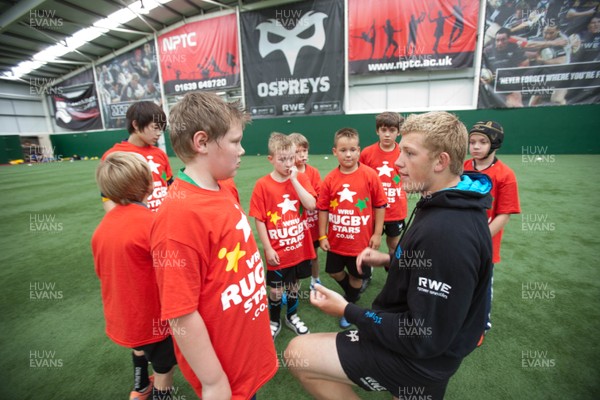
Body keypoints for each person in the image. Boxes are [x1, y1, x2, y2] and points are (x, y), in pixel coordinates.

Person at [284, 111, 493, 400]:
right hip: (432, 353)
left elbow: (423, 335)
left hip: (421, 360)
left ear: (440, 161)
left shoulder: (448, 232)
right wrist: (392, 260)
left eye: (409, 153)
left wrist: (348, 310)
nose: (397, 162)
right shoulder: (453, 198)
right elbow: (438, 269)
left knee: (297, 353)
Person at [150, 92, 277, 400]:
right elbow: (180, 314)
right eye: (235, 141)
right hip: (225, 374)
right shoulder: (177, 218)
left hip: (245, 355)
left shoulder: (223, 187)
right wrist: (213, 381)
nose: (242, 150)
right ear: (202, 142)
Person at [91, 152, 177, 400]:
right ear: (148, 184)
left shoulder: (102, 228)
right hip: (154, 320)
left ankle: (140, 387)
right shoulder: (152, 223)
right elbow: (172, 274)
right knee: (164, 369)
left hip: (123, 317)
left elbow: (103, 273)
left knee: (140, 348)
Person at [317, 127, 387, 329]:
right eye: (343, 150)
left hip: (360, 242)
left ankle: (349, 304)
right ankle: (351, 293)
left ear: (359, 150)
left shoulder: (370, 175)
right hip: (337, 241)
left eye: (353, 150)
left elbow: (379, 205)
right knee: (333, 271)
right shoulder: (330, 178)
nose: (348, 154)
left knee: (357, 276)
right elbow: (323, 209)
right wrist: (322, 235)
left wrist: (376, 233)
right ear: (334, 152)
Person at [250, 133, 317, 338]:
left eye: (291, 158)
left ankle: (292, 316)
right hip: (278, 252)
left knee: (294, 286)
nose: (288, 163)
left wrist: (295, 180)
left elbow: (311, 205)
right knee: (276, 290)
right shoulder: (263, 185)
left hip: (299, 249)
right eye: (282, 159)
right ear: (271, 159)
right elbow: (259, 218)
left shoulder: (301, 177)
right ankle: (274, 319)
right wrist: (268, 248)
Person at [464, 120, 521, 338]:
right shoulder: (463, 168)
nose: (476, 146)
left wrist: (480, 238)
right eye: (472, 142)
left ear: (494, 143)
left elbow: (504, 215)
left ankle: (479, 327)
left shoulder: (505, 175)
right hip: (461, 239)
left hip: (484, 245)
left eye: (482, 142)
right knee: (460, 282)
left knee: (482, 287)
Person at [359, 112, 408, 293]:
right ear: (377, 131)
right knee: (368, 244)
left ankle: (394, 274)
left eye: (392, 130)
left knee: (394, 245)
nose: (387, 134)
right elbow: (361, 178)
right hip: (371, 211)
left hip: (396, 211)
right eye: (383, 130)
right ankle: (366, 275)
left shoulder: (403, 152)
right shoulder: (367, 153)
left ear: (399, 132)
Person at [101, 101, 172, 213]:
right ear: (136, 125)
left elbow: (169, 187)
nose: (159, 133)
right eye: (155, 127)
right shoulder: (114, 156)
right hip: (137, 223)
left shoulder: (160, 153)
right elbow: (107, 198)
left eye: (161, 129)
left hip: (163, 222)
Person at [289, 132, 323, 290]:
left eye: (305, 150)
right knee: (296, 257)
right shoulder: (287, 172)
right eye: (298, 151)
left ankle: (315, 280)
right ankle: (292, 288)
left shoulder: (313, 172)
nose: (302, 154)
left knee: (313, 255)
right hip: (296, 225)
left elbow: (318, 198)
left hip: (312, 223)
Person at [480, 27, 530, 107]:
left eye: (503, 40)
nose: (500, 43)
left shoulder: (515, 48)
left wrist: (511, 74)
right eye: (497, 40)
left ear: (509, 39)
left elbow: (525, 64)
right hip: (493, 84)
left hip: (510, 82)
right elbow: (482, 71)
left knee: (517, 105)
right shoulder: (487, 51)